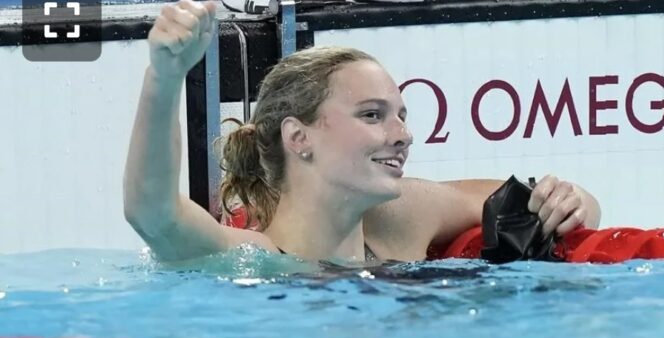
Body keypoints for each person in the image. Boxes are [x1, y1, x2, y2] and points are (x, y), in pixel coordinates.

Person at [124, 0, 601, 263]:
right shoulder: (254, 264)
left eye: (402, 115)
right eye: (372, 115)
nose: (403, 135)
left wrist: (575, 200)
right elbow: (153, 215)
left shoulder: (403, 215)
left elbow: (543, 202)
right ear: (299, 138)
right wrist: (164, 78)